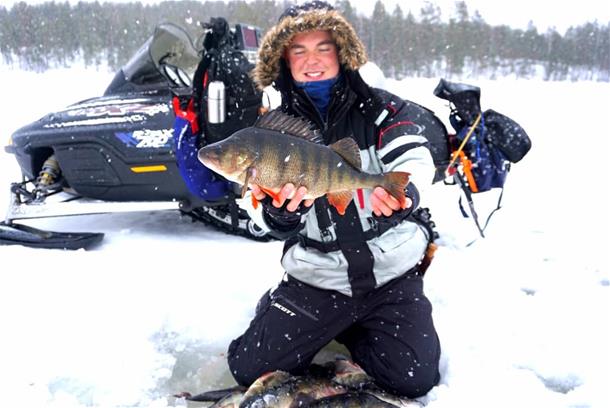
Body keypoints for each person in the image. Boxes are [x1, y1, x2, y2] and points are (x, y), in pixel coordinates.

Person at [227, 1, 441, 398]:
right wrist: (278, 213)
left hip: (390, 275)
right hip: (318, 279)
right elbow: (257, 211)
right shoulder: (271, 131)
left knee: (412, 378)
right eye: (299, 50)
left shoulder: (381, 109)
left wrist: (406, 193)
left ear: (342, 52)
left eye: (324, 47)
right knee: (248, 368)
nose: (313, 61)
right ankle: (290, 311)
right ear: (283, 59)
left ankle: (357, 328)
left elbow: (415, 152)